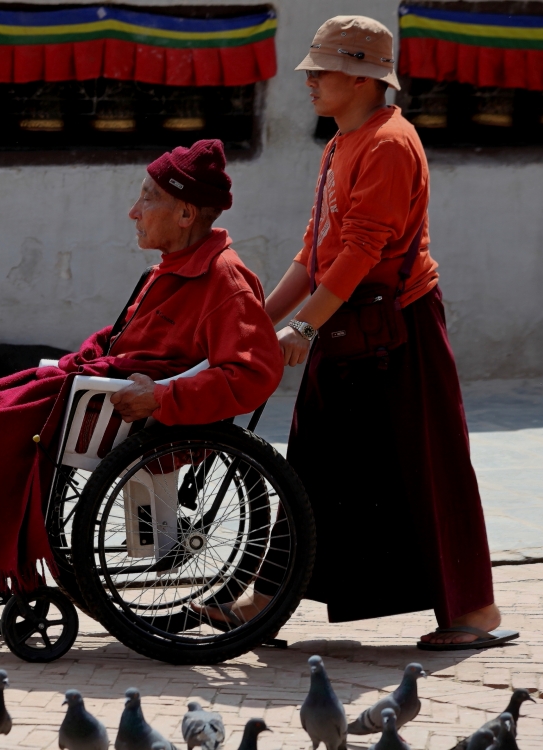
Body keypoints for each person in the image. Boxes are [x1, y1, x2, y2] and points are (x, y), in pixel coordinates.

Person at [0, 139, 283, 633]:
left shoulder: (225, 281)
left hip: (120, 410)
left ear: (186, 213)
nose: (133, 211)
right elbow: (121, 337)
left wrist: (163, 396)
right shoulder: (167, 270)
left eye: (147, 198)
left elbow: (252, 373)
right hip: (88, 388)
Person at [199, 16, 518, 651]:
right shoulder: (341, 142)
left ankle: (473, 613)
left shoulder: (391, 143)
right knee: (314, 461)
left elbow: (362, 251)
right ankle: (266, 604)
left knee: (429, 464)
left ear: (364, 77)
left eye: (322, 71)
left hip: (400, 328)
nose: (311, 81)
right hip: (346, 322)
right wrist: (259, 321)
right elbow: (316, 253)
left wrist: (304, 326)